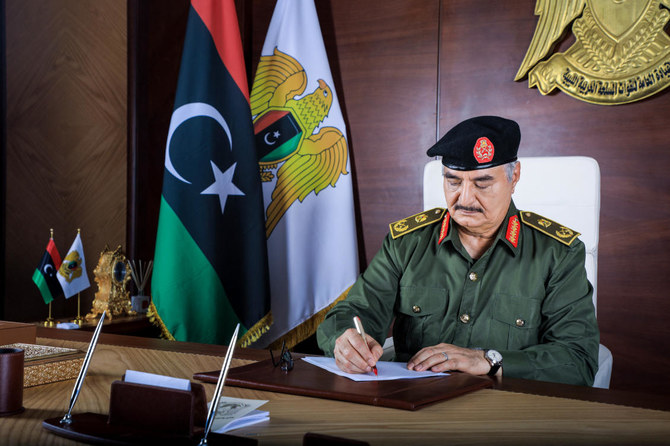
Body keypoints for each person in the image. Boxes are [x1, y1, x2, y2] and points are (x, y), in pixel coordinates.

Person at [316, 115, 600, 386]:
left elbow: (577, 361)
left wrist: (489, 361)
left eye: (482, 183)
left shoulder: (558, 254)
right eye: (453, 181)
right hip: (413, 408)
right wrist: (345, 340)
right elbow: (354, 312)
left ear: (514, 178)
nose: (464, 199)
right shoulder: (406, 244)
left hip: (508, 416)